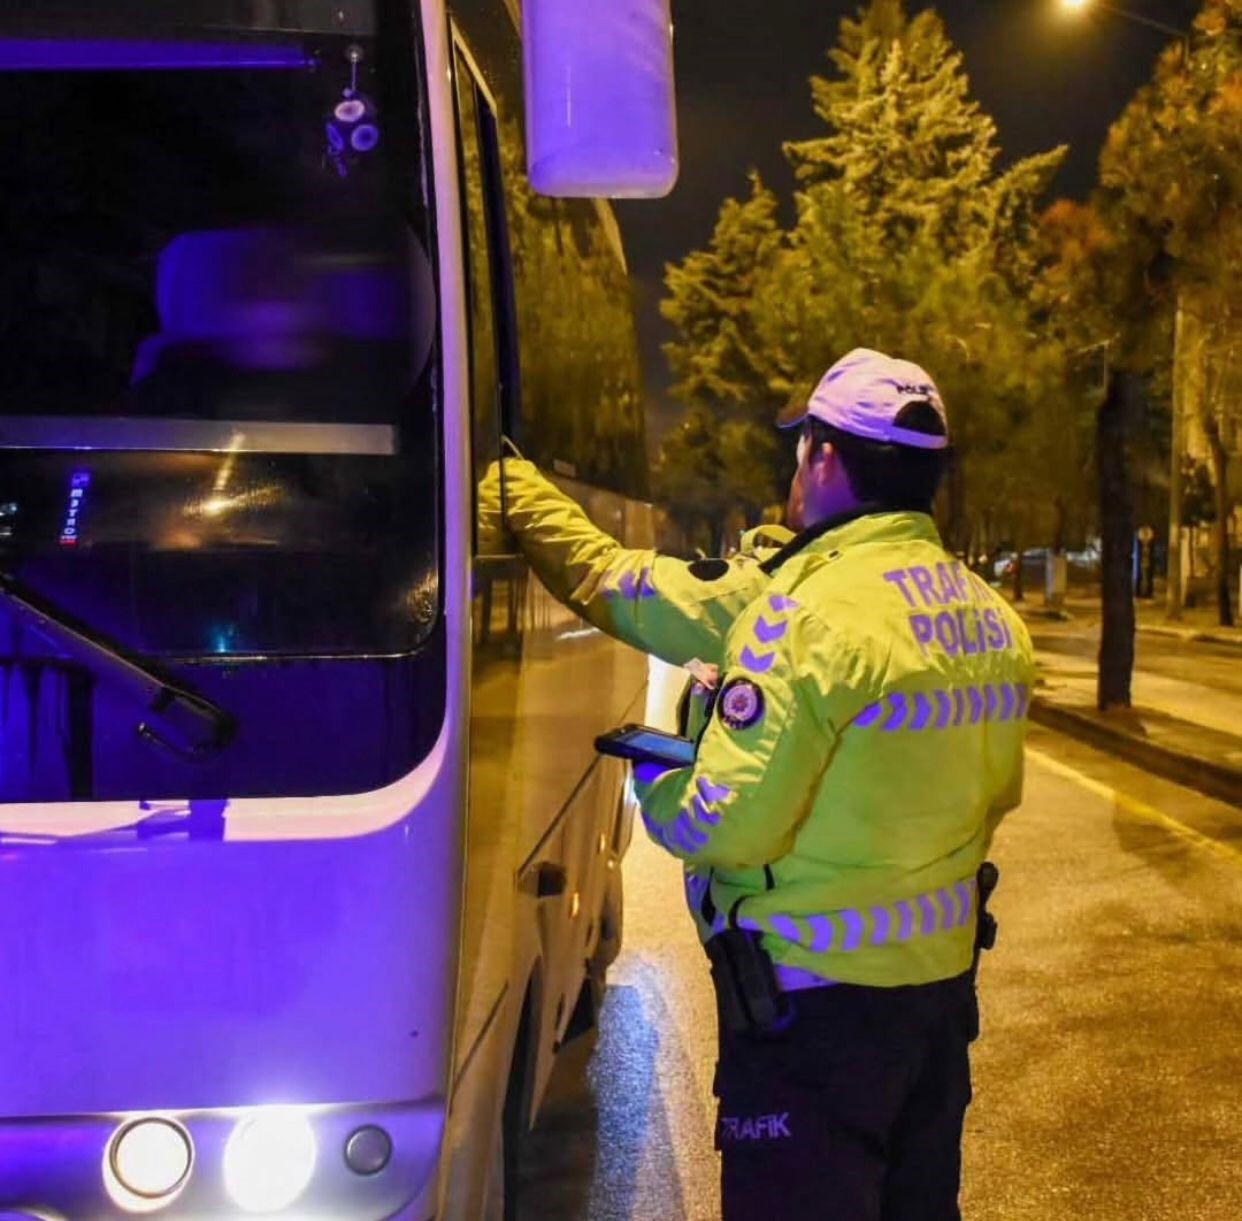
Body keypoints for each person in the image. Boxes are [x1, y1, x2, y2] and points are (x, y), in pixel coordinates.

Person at [495, 346, 1033, 1219]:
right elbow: (992, 795)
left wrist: (664, 771)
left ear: (822, 455)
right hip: (937, 1009)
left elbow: (725, 821)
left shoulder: (807, 618)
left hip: (811, 1018)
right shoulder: (992, 620)